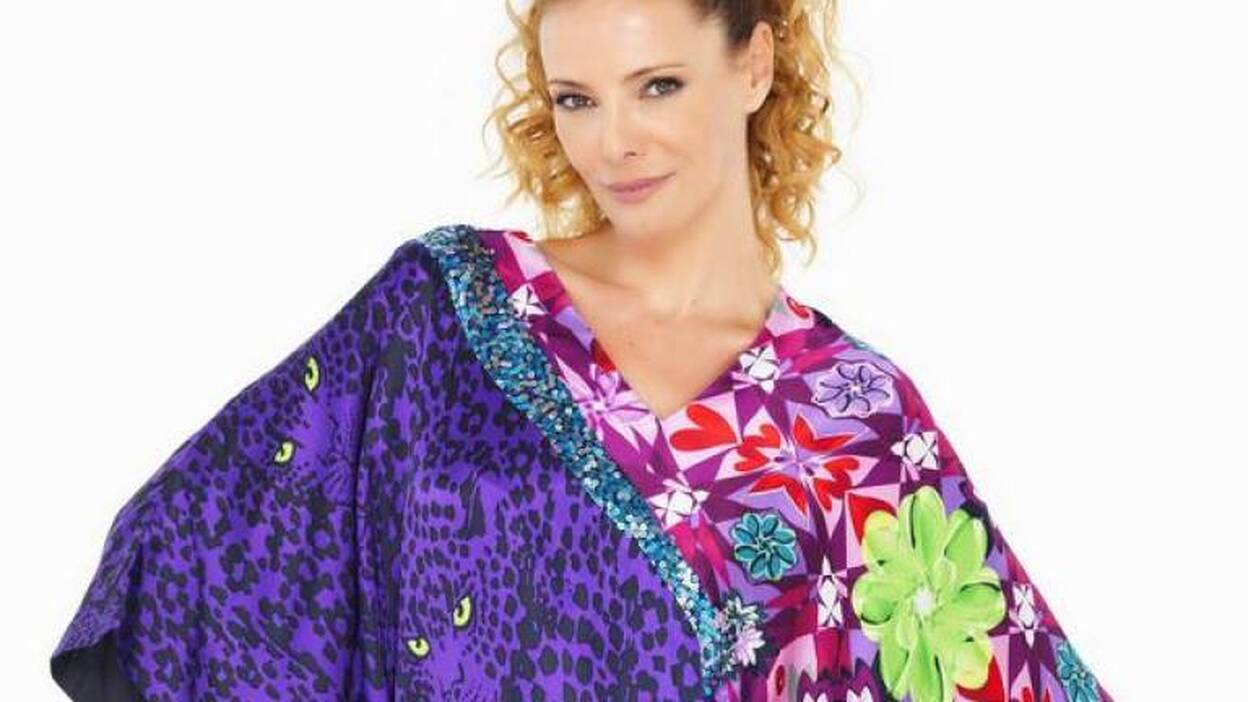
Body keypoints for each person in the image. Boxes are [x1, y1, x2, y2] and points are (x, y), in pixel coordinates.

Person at [50, 1, 1114, 700]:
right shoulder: (442, 312)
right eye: (576, 99)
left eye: (659, 85)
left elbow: (991, 664)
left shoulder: (855, 417)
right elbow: (186, 561)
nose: (615, 142)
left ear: (755, 64)